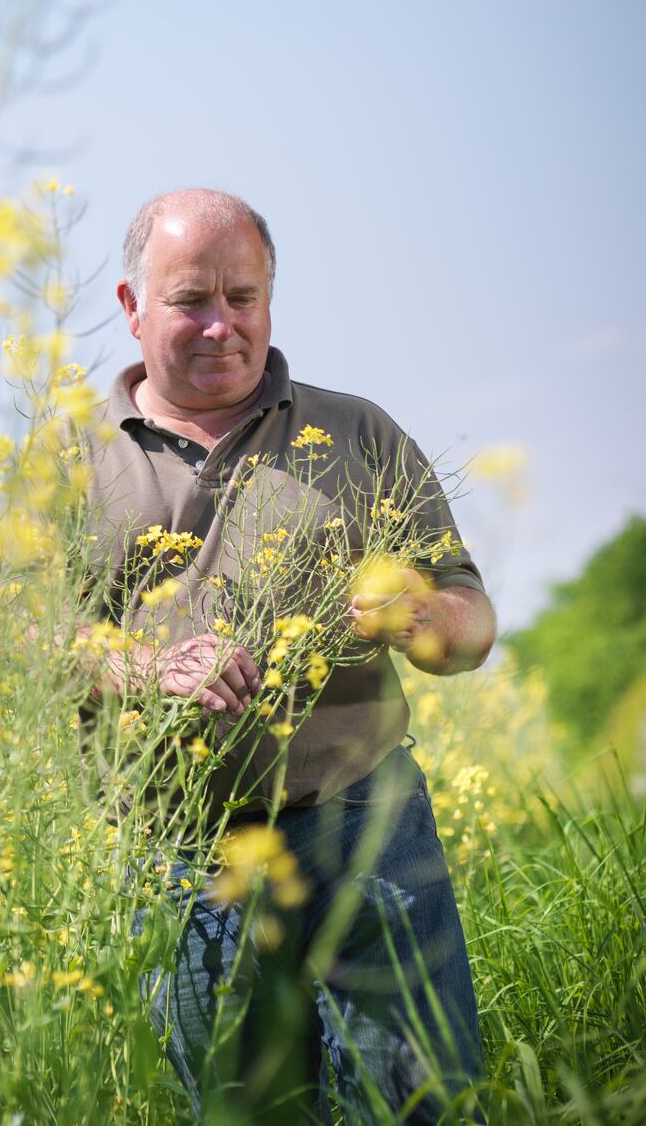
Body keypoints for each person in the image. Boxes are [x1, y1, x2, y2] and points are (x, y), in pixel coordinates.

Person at [77, 187, 495, 1123]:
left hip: (363, 830)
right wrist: (144, 668)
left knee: (423, 1105)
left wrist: (418, 610)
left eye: (243, 295)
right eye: (190, 300)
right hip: (176, 852)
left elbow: (470, 623)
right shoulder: (66, 459)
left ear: (270, 298)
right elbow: (16, 635)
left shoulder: (357, 433)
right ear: (131, 305)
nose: (220, 325)